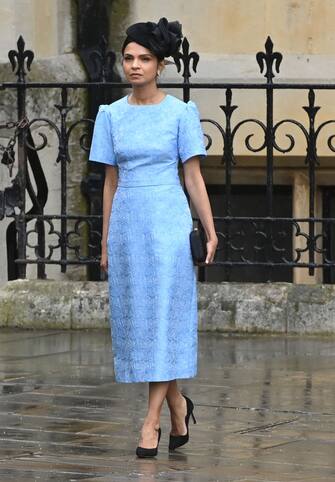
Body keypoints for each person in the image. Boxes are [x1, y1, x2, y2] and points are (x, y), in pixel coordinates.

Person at [89, 17, 218, 457]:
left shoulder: (181, 112)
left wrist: (210, 230)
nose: (135, 66)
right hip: (128, 224)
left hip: (168, 223)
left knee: (164, 320)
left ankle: (150, 424)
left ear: (161, 64)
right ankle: (178, 405)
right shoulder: (109, 115)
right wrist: (105, 240)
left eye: (144, 58)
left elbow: (193, 178)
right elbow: (110, 181)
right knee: (144, 326)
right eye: (128, 58)